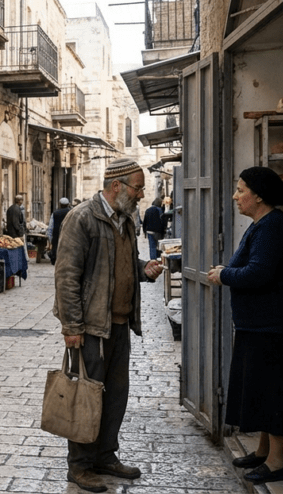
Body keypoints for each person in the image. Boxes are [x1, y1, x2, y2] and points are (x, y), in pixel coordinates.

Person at [53, 158, 163, 493]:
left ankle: (105, 455)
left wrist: (144, 268)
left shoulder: (125, 220)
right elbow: (67, 275)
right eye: (137, 187)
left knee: (115, 395)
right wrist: (72, 326)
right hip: (90, 327)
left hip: (118, 325)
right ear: (116, 185)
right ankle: (80, 465)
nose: (141, 194)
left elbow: (124, 262)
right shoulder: (82, 217)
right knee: (86, 396)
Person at [206, 167, 283, 485]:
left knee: (275, 392)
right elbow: (249, 266)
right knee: (264, 390)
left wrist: (224, 275)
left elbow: (258, 274)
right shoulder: (262, 225)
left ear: (259, 195)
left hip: (276, 327)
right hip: (261, 326)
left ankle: (278, 463)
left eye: (241, 190)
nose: (236, 196)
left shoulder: (272, 228)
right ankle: (265, 451)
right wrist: (227, 269)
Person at [46, 197, 72, 265]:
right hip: (69, 234)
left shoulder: (55, 213)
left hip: (57, 234)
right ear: (68, 204)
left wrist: (49, 237)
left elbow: (50, 226)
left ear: (60, 204)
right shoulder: (72, 212)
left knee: (56, 248)